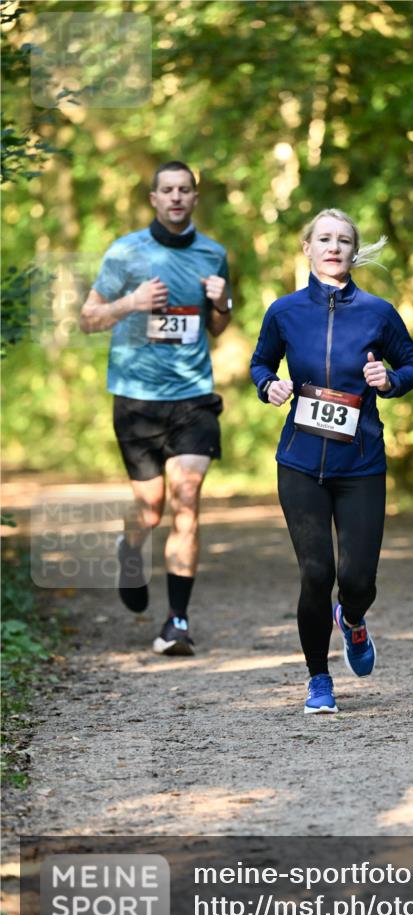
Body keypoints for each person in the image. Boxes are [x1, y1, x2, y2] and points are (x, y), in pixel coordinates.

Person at [250, 208, 413, 713]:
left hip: (360, 464)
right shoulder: (284, 312)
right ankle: (319, 680)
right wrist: (269, 385)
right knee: (315, 573)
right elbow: (261, 362)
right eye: (324, 239)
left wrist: (390, 381)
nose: (333, 247)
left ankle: (351, 619)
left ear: (353, 251)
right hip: (300, 463)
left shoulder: (377, 312)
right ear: (307, 248)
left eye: (343, 240)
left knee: (358, 581)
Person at [80, 160, 232, 655]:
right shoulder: (125, 252)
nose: (176, 197)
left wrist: (223, 304)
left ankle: (176, 622)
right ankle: (130, 551)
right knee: (149, 512)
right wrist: (132, 302)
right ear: (153, 198)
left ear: (194, 198)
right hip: (137, 399)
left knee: (187, 499)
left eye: (184, 190)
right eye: (167, 190)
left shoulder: (213, 254)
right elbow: (88, 319)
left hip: (193, 397)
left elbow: (217, 327)